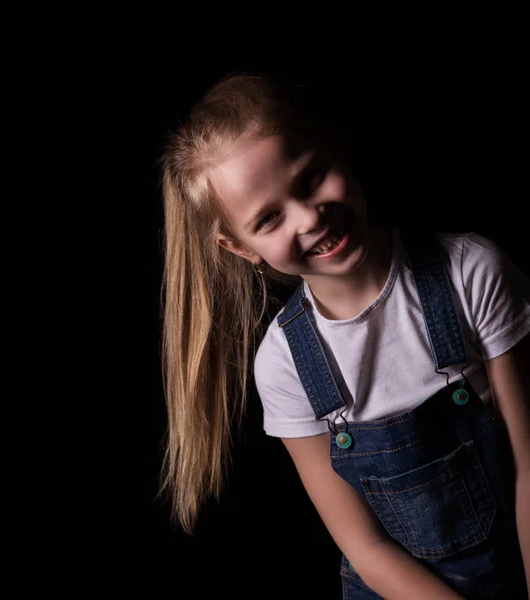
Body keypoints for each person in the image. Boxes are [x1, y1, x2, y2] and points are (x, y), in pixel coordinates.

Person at [157, 72, 530, 599]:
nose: (310, 217)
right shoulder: (284, 365)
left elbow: (528, 466)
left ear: (335, 147)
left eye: (310, 178)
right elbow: (365, 548)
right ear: (240, 248)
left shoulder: (470, 273)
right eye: (268, 218)